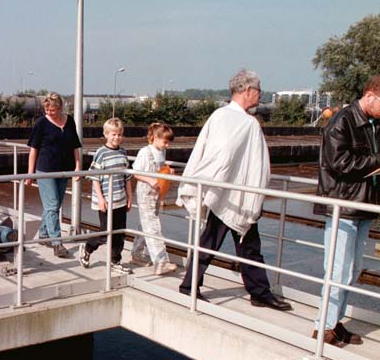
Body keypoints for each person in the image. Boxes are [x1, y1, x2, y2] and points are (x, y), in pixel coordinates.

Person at [177, 69, 292, 311]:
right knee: (234, 245)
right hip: (232, 194)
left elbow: (214, 155)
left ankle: (254, 291)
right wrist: (235, 187)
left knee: (235, 245)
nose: (260, 95)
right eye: (258, 91)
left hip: (224, 192)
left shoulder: (219, 116)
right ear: (248, 91)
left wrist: (210, 182)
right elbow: (236, 159)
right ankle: (257, 292)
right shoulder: (246, 124)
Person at [312, 73, 380, 346]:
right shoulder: (341, 122)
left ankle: (335, 323)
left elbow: (370, 165)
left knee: (352, 270)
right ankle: (323, 327)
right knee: (338, 270)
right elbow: (340, 164)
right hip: (344, 205)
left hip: (363, 204)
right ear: (370, 96)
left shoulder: (375, 123)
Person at [25, 92, 83, 258]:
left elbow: (75, 146)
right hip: (45, 170)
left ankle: (43, 234)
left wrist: (77, 166)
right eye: (47, 110)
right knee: (51, 205)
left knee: (55, 205)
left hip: (64, 169)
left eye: (53, 110)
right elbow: (33, 149)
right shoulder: (41, 123)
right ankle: (57, 243)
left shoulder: (69, 121)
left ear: (60, 108)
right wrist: (30, 173)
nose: (49, 112)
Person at [79, 117, 133, 272]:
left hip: (120, 199)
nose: (117, 137)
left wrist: (130, 197)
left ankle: (115, 261)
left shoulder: (122, 152)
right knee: (105, 232)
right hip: (106, 201)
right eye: (113, 134)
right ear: (106, 135)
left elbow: (127, 177)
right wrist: (101, 199)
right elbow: (94, 177)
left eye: (119, 134)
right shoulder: (101, 153)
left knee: (119, 233)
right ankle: (88, 247)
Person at [131, 122, 178, 275]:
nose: (167, 145)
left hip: (156, 193)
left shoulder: (161, 153)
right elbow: (136, 172)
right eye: (165, 141)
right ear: (156, 138)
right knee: (153, 226)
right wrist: (150, 180)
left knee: (146, 223)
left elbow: (160, 170)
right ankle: (161, 261)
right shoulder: (145, 152)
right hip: (146, 193)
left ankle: (137, 253)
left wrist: (168, 172)